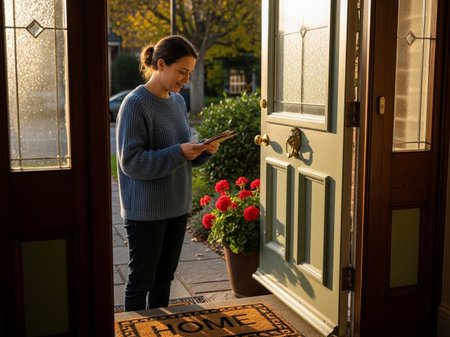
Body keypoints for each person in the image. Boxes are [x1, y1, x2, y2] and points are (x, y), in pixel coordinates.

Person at [116, 35, 219, 311]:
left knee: (164, 279)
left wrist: (203, 152)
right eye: (182, 72)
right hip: (146, 212)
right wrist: (180, 152)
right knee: (140, 282)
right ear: (161, 64)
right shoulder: (134, 104)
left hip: (177, 206)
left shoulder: (177, 103)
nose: (186, 80)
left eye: (189, 73)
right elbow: (132, 162)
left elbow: (182, 158)